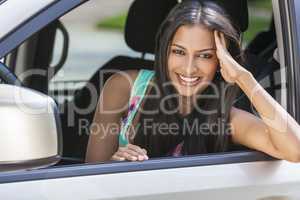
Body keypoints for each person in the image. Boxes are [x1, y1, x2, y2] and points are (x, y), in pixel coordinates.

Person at [85, 0, 300, 163]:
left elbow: (295, 149)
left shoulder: (225, 118)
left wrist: (243, 78)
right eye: (179, 52)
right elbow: (91, 180)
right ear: (164, 51)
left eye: (205, 55)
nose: (189, 68)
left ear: (220, 59)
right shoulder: (123, 87)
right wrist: (116, 163)